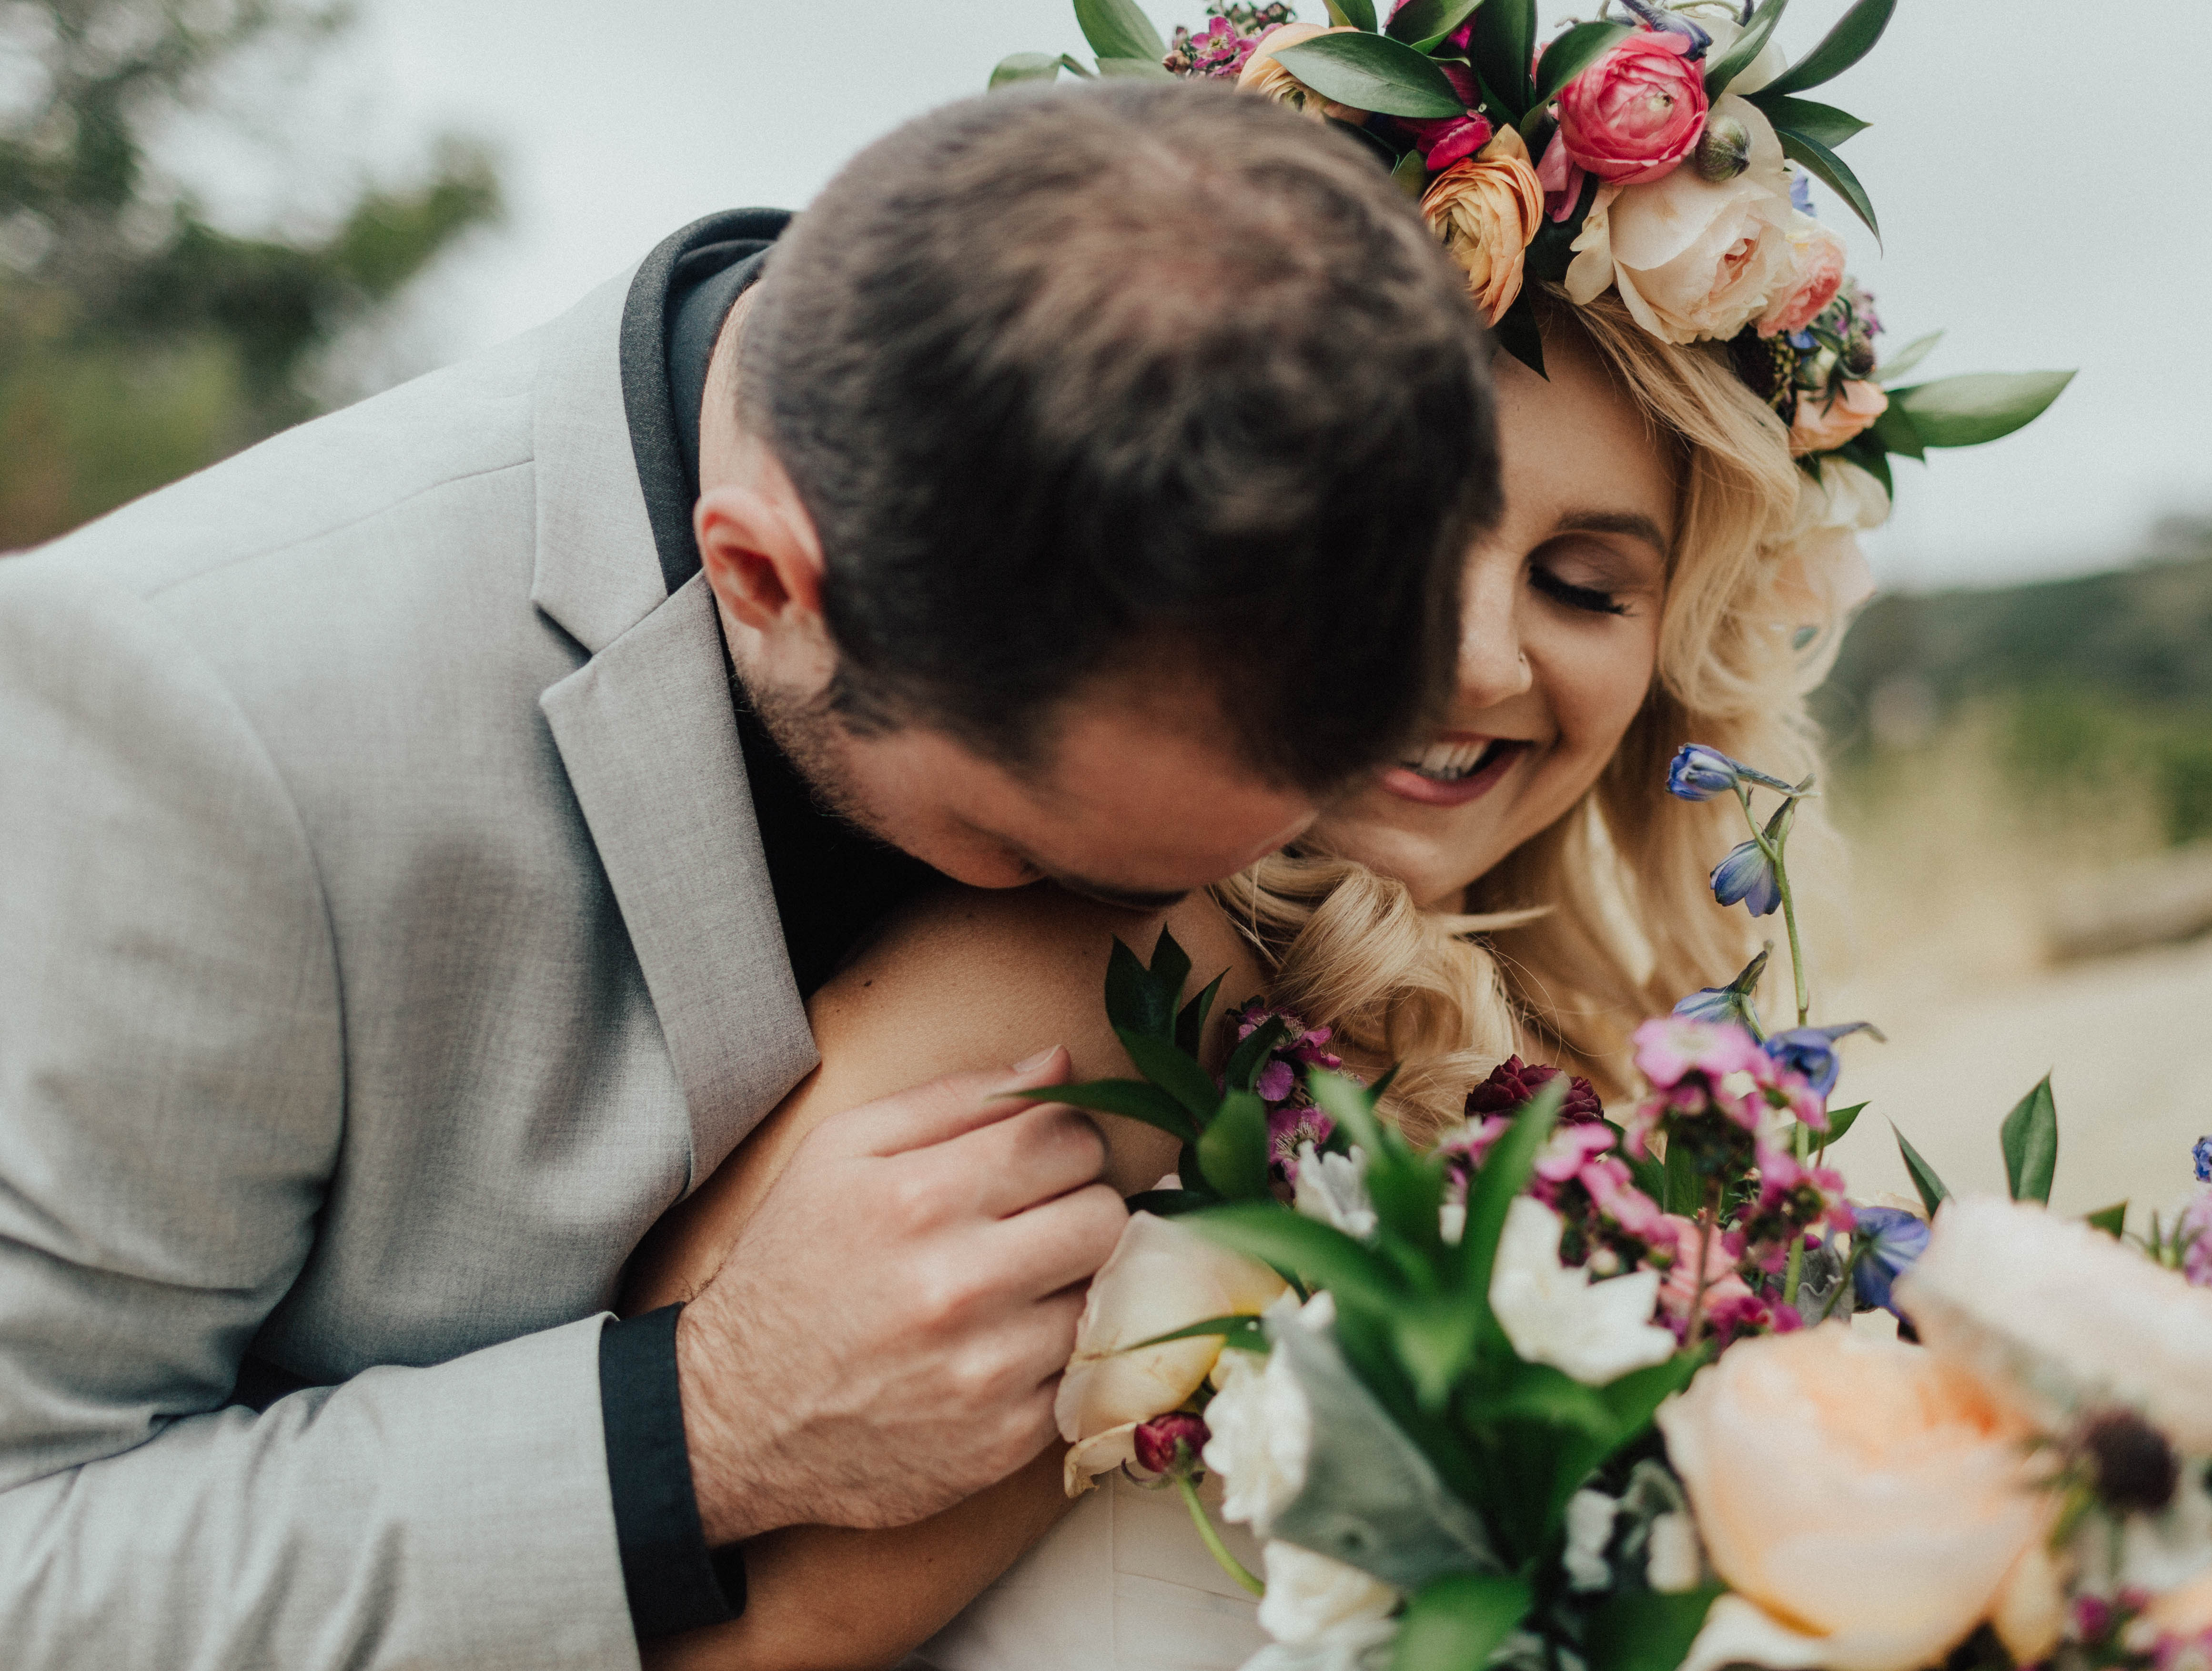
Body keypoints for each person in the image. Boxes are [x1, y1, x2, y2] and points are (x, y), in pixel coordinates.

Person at [0, 84, 1501, 1669]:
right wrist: (705, 1413)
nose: (1142, 922)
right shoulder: (184, 708)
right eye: (1031, 855)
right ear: (763, 577)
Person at [622, 269, 1868, 1669]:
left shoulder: (1580, 1028)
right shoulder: (1107, 990)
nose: (1475, 657)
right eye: (1384, 547)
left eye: (1582, 585)